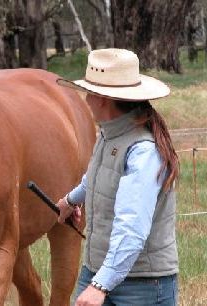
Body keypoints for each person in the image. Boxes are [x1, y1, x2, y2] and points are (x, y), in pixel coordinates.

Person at [56, 49, 179, 306]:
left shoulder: (143, 151)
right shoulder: (111, 135)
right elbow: (98, 175)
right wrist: (72, 199)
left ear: (102, 98)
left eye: (90, 92)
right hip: (102, 272)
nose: (86, 100)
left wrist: (100, 286)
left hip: (141, 286)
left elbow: (131, 228)